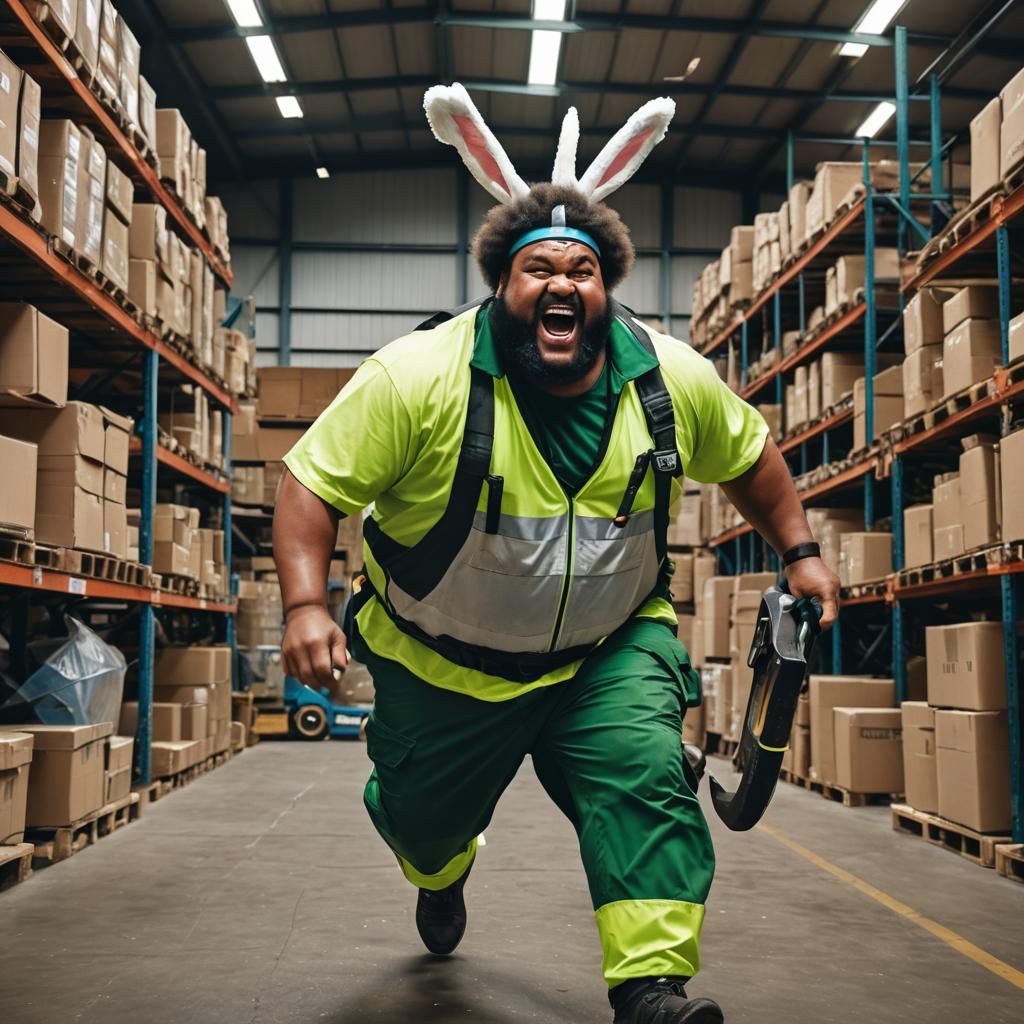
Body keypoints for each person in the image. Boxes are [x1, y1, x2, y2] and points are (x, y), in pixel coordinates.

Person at [273, 85, 840, 1024]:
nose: (562, 284)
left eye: (582, 268)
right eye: (539, 268)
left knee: (645, 776)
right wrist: (303, 606)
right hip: (442, 666)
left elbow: (752, 456)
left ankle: (651, 991)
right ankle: (441, 872)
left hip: (605, 653)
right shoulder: (419, 378)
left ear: (606, 285)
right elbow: (312, 485)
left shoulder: (666, 380)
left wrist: (803, 551)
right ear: (503, 283)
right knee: (424, 825)